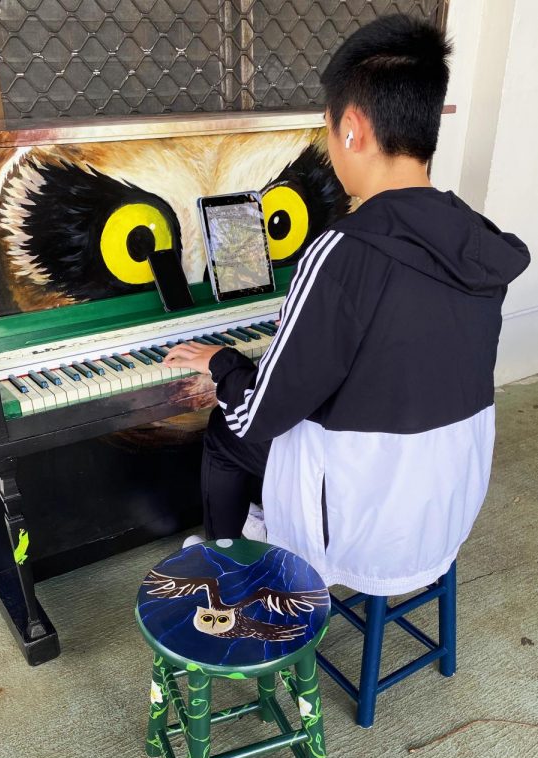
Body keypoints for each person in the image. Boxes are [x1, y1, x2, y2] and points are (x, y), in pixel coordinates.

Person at [164, 13, 530, 595]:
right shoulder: (476, 236)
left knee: (224, 431)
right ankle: (259, 529)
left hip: (358, 528)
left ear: (353, 128)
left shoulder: (340, 251)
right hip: (442, 510)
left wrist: (221, 361)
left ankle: (230, 576)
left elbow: (259, 414)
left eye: (329, 129)